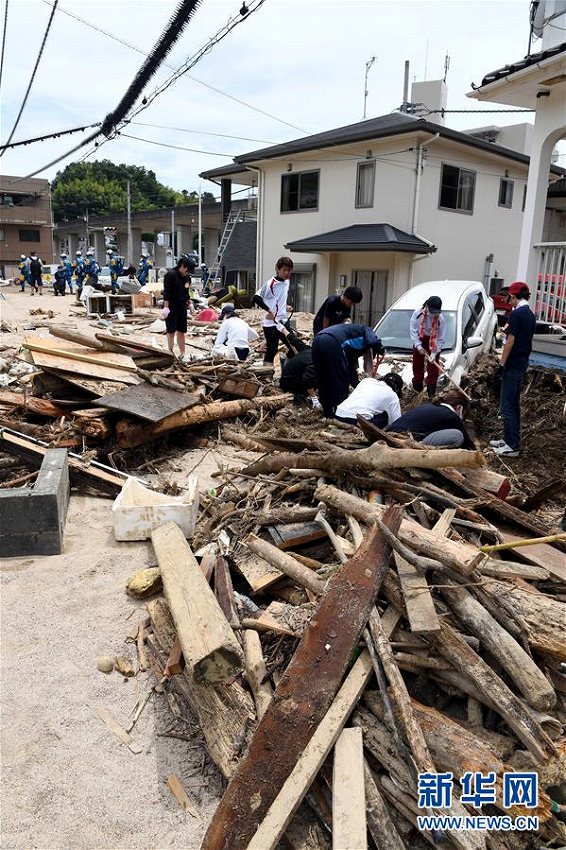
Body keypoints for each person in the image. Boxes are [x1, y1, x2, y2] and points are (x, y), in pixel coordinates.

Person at [489, 281, 536, 458]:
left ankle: (512, 446)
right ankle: (509, 439)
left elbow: (510, 341)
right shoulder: (530, 314)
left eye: (510, 298)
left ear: (514, 297)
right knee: (514, 404)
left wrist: (501, 365)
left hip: (513, 364)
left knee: (506, 405)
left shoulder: (517, 315)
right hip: (522, 363)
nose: (509, 301)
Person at [311, 323, 385, 418]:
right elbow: (373, 340)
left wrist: (358, 386)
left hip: (317, 340)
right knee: (340, 381)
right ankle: (340, 415)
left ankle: (328, 413)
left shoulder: (350, 346)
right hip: (333, 341)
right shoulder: (365, 329)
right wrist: (380, 348)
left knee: (324, 378)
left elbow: (350, 369)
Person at [387, 389, 475, 448]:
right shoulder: (452, 415)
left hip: (390, 434)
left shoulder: (429, 407)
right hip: (404, 440)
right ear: (459, 408)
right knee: (457, 436)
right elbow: (467, 443)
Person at [253, 256, 296, 364]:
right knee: (272, 350)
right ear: (278, 269)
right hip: (271, 324)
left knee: (294, 346)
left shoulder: (287, 282)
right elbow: (256, 298)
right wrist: (269, 311)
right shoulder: (270, 283)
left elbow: (277, 299)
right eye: (284, 270)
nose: (287, 273)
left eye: (289, 270)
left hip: (283, 322)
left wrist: (285, 307)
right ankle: (266, 374)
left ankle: (285, 364)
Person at [335, 371, 403, 427]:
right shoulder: (392, 395)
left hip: (339, 414)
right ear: (396, 389)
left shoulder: (367, 381)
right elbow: (396, 422)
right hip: (356, 421)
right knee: (386, 415)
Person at [410, 295, 446, 398]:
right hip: (420, 339)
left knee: (433, 368)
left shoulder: (440, 319)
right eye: (432, 311)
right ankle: (417, 392)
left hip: (433, 341)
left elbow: (441, 338)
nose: (433, 314)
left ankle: (431, 395)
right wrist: (419, 346)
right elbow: (413, 331)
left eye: (436, 312)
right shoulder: (418, 313)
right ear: (427, 306)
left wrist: (434, 353)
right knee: (417, 366)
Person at [162, 255, 195, 360]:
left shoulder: (187, 278)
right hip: (171, 306)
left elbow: (186, 293)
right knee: (171, 331)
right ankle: (170, 352)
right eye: (188, 271)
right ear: (184, 267)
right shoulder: (170, 275)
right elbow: (166, 293)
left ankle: (182, 353)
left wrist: (189, 304)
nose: (188, 273)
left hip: (182, 307)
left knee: (181, 330)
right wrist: (166, 308)